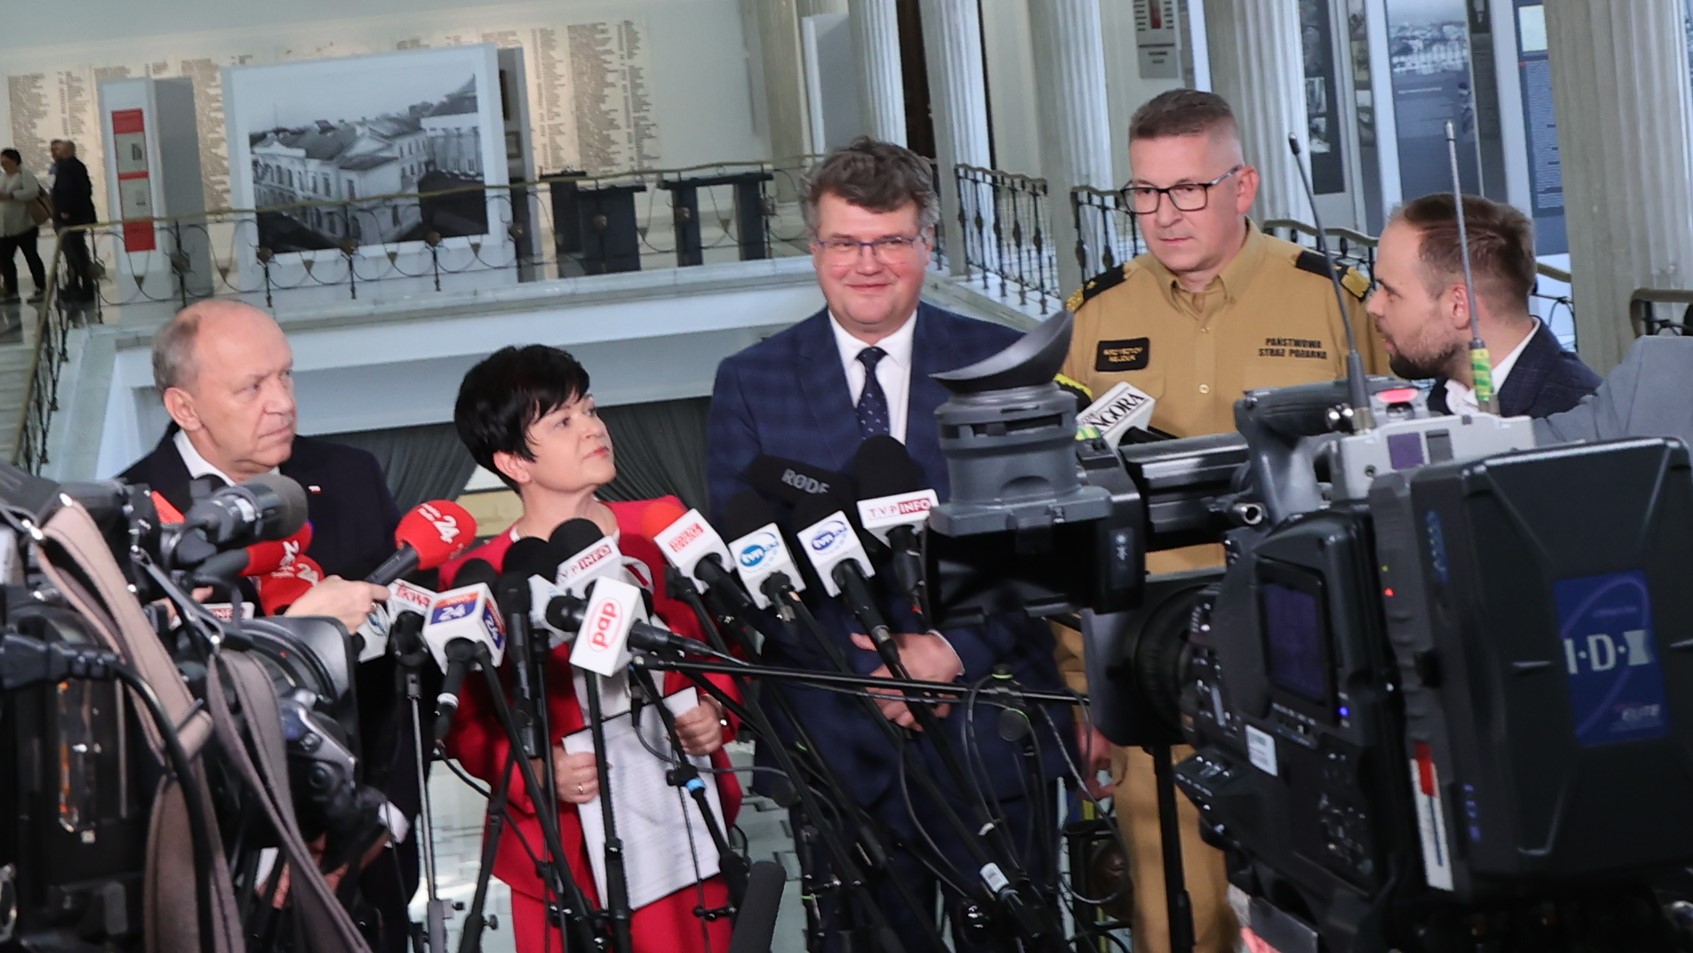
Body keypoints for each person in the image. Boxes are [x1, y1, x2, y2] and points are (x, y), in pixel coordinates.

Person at [707, 136, 1071, 951]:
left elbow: (1042, 538)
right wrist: (870, 666)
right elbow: (745, 564)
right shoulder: (751, 381)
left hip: (987, 722)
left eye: (890, 241)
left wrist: (947, 647)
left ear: (926, 243)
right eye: (845, 242)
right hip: (841, 740)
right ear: (814, 248)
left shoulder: (999, 361)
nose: (866, 264)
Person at [1055, 89, 1388, 953]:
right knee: (1180, 922)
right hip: (1155, 670)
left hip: (1310, 667)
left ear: (1242, 185)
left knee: (1323, 916)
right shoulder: (1094, 317)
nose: (1163, 215)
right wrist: (1085, 688)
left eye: (1187, 189)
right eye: (1144, 191)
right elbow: (1068, 513)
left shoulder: (1333, 301)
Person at [118, 299, 419, 953]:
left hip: (367, 869)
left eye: (285, 375)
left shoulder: (350, 476)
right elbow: (147, 714)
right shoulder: (130, 521)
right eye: (251, 387)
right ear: (185, 408)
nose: (282, 402)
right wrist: (296, 629)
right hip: (224, 876)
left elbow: (409, 669)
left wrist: (382, 815)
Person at [443, 344, 742, 953]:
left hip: (679, 824)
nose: (593, 428)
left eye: (590, 409)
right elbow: (468, 724)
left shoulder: (657, 528)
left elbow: (719, 645)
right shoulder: (479, 576)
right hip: (561, 848)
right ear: (513, 462)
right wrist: (535, 771)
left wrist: (716, 711)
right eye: (563, 421)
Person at [1368, 193, 1599, 417]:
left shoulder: (1575, 419)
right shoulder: (1447, 399)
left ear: (1459, 306)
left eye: (1390, 291)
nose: (1373, 307)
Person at [49, 139, 97, 302]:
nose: (56, 153)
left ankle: (85, 289)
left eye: (59, 150)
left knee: (76, 254)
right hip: (78, 216)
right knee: (75, 253)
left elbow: (66, 190)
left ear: (66, 151)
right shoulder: (77, 166)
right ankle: (77, 286)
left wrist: (64, 210)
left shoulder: (66, 167)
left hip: (71, 218)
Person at [0, 148, 47, 302]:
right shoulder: (2, 177)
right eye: (1, 162)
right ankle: (11, 291)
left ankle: (40, 288)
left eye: (6, 161)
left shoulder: (25, 175)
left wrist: (11, 195)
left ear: (15, 161)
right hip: (6, 228)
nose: (3, 165)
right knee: (5, 260)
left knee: (31, 256)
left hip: (25, 225)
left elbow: (32, 192)